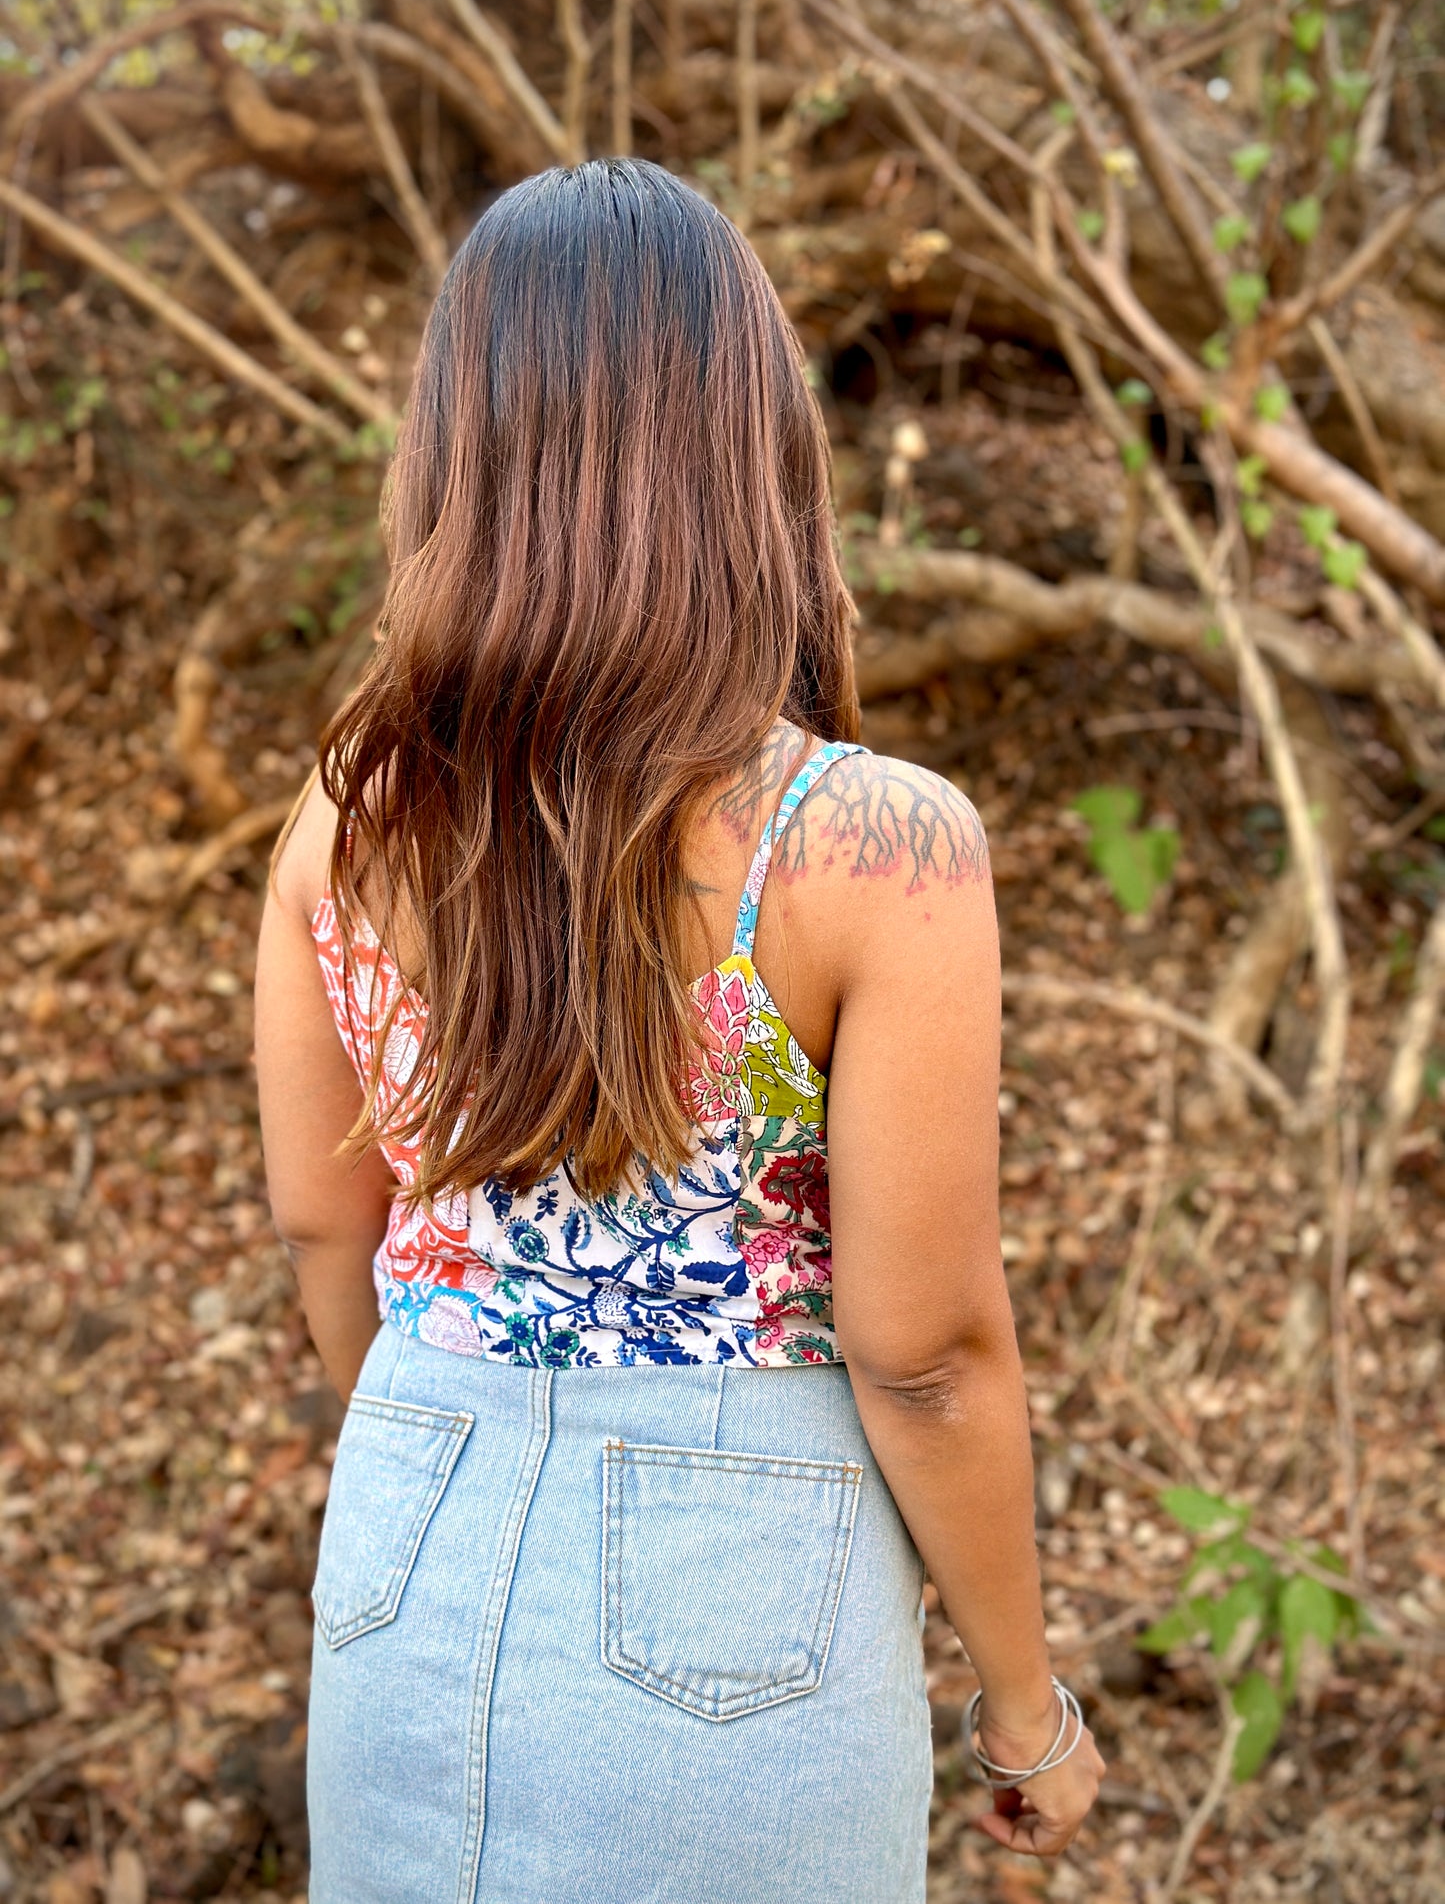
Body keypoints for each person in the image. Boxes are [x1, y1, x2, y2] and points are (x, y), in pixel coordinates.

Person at [255, 156, 1103, 1903]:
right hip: (740, 1601)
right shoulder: (871, 846)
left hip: (406, 1536)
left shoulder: (342, 824)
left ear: (454, 445)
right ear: (750, 446)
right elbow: (923, 1348)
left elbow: (322, 1219)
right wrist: (1024, 1705)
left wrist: (446, 1435)